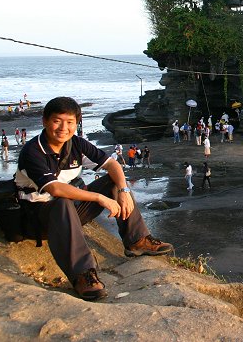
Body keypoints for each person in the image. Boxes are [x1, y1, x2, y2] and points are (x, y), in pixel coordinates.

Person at [15, 97, 172, 301]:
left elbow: (112, 165)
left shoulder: (77, 145)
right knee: (61, 201)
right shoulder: (33, 151)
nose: (64, 127)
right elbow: (55, 189)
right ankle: (83, 275)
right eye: (57, 121)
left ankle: (137, 240)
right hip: (38, 218)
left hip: (70, 213)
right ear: (45, 121)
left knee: (114, 182)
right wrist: (99, 198)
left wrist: (123, 190)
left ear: (77, 123)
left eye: (70, 122)